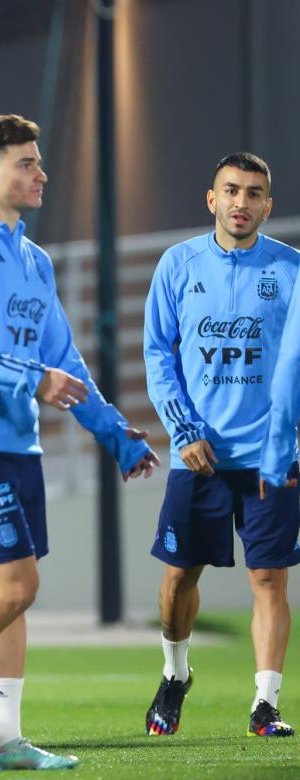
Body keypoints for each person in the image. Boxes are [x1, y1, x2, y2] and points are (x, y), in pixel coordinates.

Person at [0, 114, 159, 772]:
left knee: (10, 592)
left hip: (17, 443)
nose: (40, 173)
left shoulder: (34, 259)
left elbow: (62, 356)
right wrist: (32, 378)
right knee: (17, 586)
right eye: (26, 162)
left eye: (39, 162)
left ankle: (2, 739)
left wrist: (115, 433)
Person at [148, 152, 300, 738]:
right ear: (212, 199)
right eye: (231, 190)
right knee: (179, 578)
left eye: (254, 193)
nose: (242, 202)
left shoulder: (289, 270)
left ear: (268, 205)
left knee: (269, 579)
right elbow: (158, 354)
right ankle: (175, 674)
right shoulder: (178, 264)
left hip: (271, 458)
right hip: (199, 456)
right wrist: (183, 431)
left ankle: (266, 704)